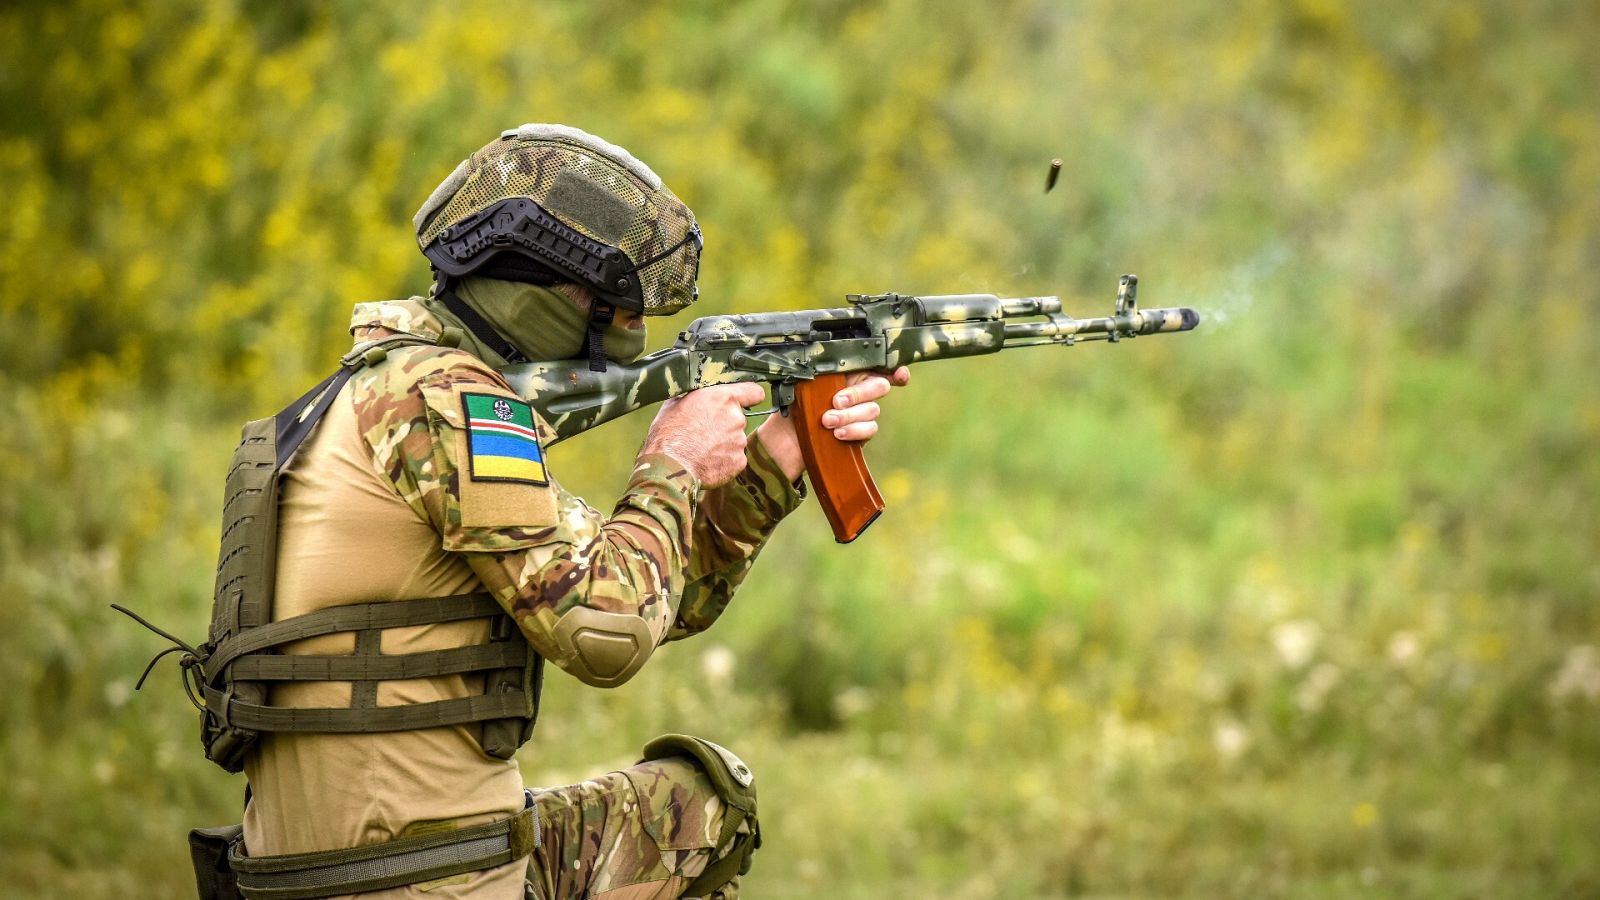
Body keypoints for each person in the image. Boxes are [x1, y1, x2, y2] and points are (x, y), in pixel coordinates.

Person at [219, 124, 908, 899]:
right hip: (406, 877)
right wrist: (672, 463)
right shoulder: (447, 402)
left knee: (697, 801)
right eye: (600, 302)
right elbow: (604, 633)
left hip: (340, 862)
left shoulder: (391, 387)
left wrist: (772, 465)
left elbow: (651, 599)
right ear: (535, 297)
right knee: (700, 808)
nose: (620, 324)